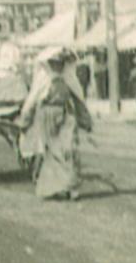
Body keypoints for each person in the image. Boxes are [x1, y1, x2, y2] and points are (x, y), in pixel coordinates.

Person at [18, 47, 92, 200]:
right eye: (53, 63)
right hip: (47, 117)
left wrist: (85, 119)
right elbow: (32, 101)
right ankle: (55, 188)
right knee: (52, 153)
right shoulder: (43, 81)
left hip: (66, 115)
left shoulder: (69, 79)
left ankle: (70, 187)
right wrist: (25, 119)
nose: (57, 67)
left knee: (69, 148)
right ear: (48, 65)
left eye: (60, 63)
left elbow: (79, 100)